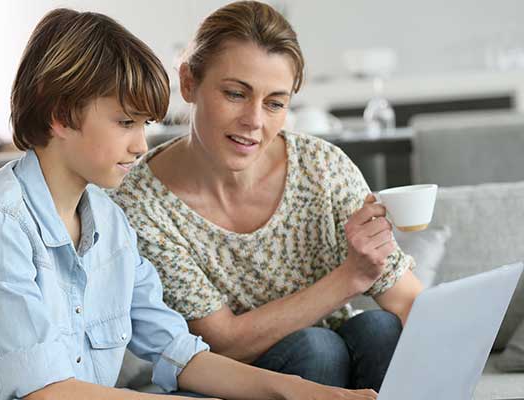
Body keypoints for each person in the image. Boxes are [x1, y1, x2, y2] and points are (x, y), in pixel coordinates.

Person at [0, 7, 380, 400]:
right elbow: (48, 391)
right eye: (126, 123)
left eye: (145, 126)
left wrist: (300, 391)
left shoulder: (109, 220)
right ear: (62, 115)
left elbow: (179, 353)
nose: (142, 146)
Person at [110, 0, 423, 392]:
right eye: (236, 94)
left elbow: (408, 301)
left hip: (339, 364)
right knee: (317, 348)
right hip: (233, 380)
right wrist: (351, 277)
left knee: (381, 327)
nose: (254, 121)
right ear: (189, 82)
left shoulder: (322, 169)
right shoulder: (141, 204)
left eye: (275, 103)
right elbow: (222, 342)